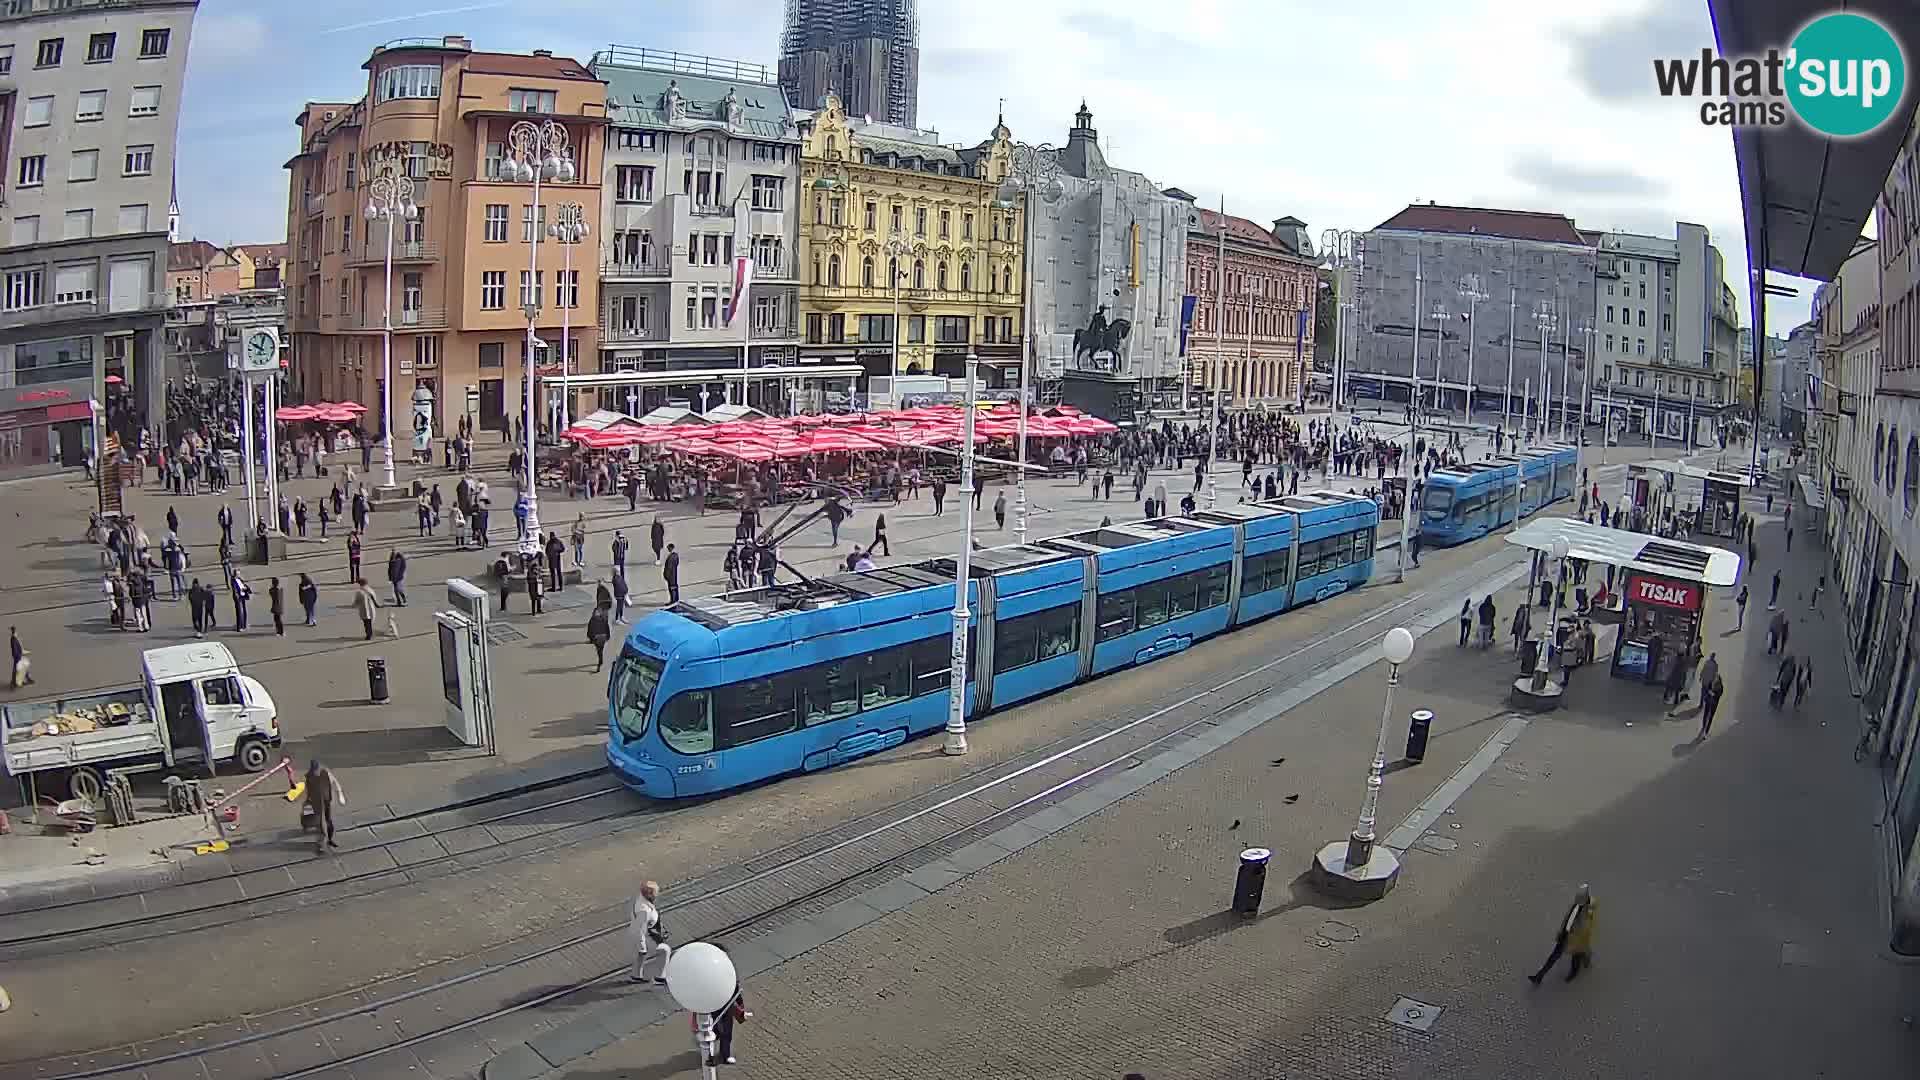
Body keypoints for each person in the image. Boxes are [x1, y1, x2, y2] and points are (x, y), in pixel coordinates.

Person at [1528, 884, 1596, 984]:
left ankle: (1575, 971)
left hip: (1577, 940)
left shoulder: (1589, 910)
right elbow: (1567, 919)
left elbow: (1586, 927)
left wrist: (1579, 939)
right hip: (1565, 936)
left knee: (1576, 957)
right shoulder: (1576, 906)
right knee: (1554, 956)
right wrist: (1562, 931)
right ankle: (1539, 976)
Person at [708, 943, 751, 1067]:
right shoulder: (708, 971)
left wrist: (740, 1004)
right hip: (711, 1006)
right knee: (712, 1031)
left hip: (726, 1006)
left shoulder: (728, 970)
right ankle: (709, 1051)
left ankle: (725, 1055)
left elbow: (735, 987)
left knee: (726, 1032)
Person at [628, 880, 670, 985]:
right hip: (645, 936)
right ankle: (660, 977)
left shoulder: (642, 899)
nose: (657, 895)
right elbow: (639, 929)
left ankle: (636, 976)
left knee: (641, 956)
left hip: (646, 933)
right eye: (655, 893)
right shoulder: (644, 911)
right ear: (649, 894)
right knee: (665, 950)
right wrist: (642, 948)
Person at [304, 760, 346, 851]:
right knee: (319, 823)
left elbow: (335, 783)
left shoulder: (326, 773)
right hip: (316, 802)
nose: (316, 772)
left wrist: (340, 795)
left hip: (326, 800)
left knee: (329, 821)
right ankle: (321, 843)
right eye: (314, 770)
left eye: (316, 770)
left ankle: (330, 839)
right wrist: (308, 800)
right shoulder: (309, 777)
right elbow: (309, 789)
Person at [587, 603, 611, 673]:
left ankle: (600, 663)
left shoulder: (592, 620)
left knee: (599, 651)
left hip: (598, 638)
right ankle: (600, 661)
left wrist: (590, 637)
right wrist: (608, 636)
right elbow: (607, 628)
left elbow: (590, 630)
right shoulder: (603, 619)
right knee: (600, 650)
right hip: (602, 637)